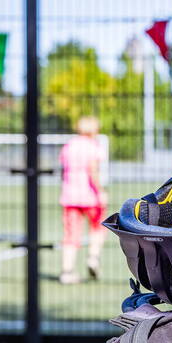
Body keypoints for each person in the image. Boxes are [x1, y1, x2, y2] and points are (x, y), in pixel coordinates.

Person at [58, 116, 107, 285]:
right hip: (90, 196)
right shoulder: (93, 146)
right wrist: (101, 191)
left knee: (70, 235)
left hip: (70, 196)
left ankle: (67, 271)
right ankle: (93, 258)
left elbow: (63, 169)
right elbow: (93, 170)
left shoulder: (69, 145)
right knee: (97, 228)